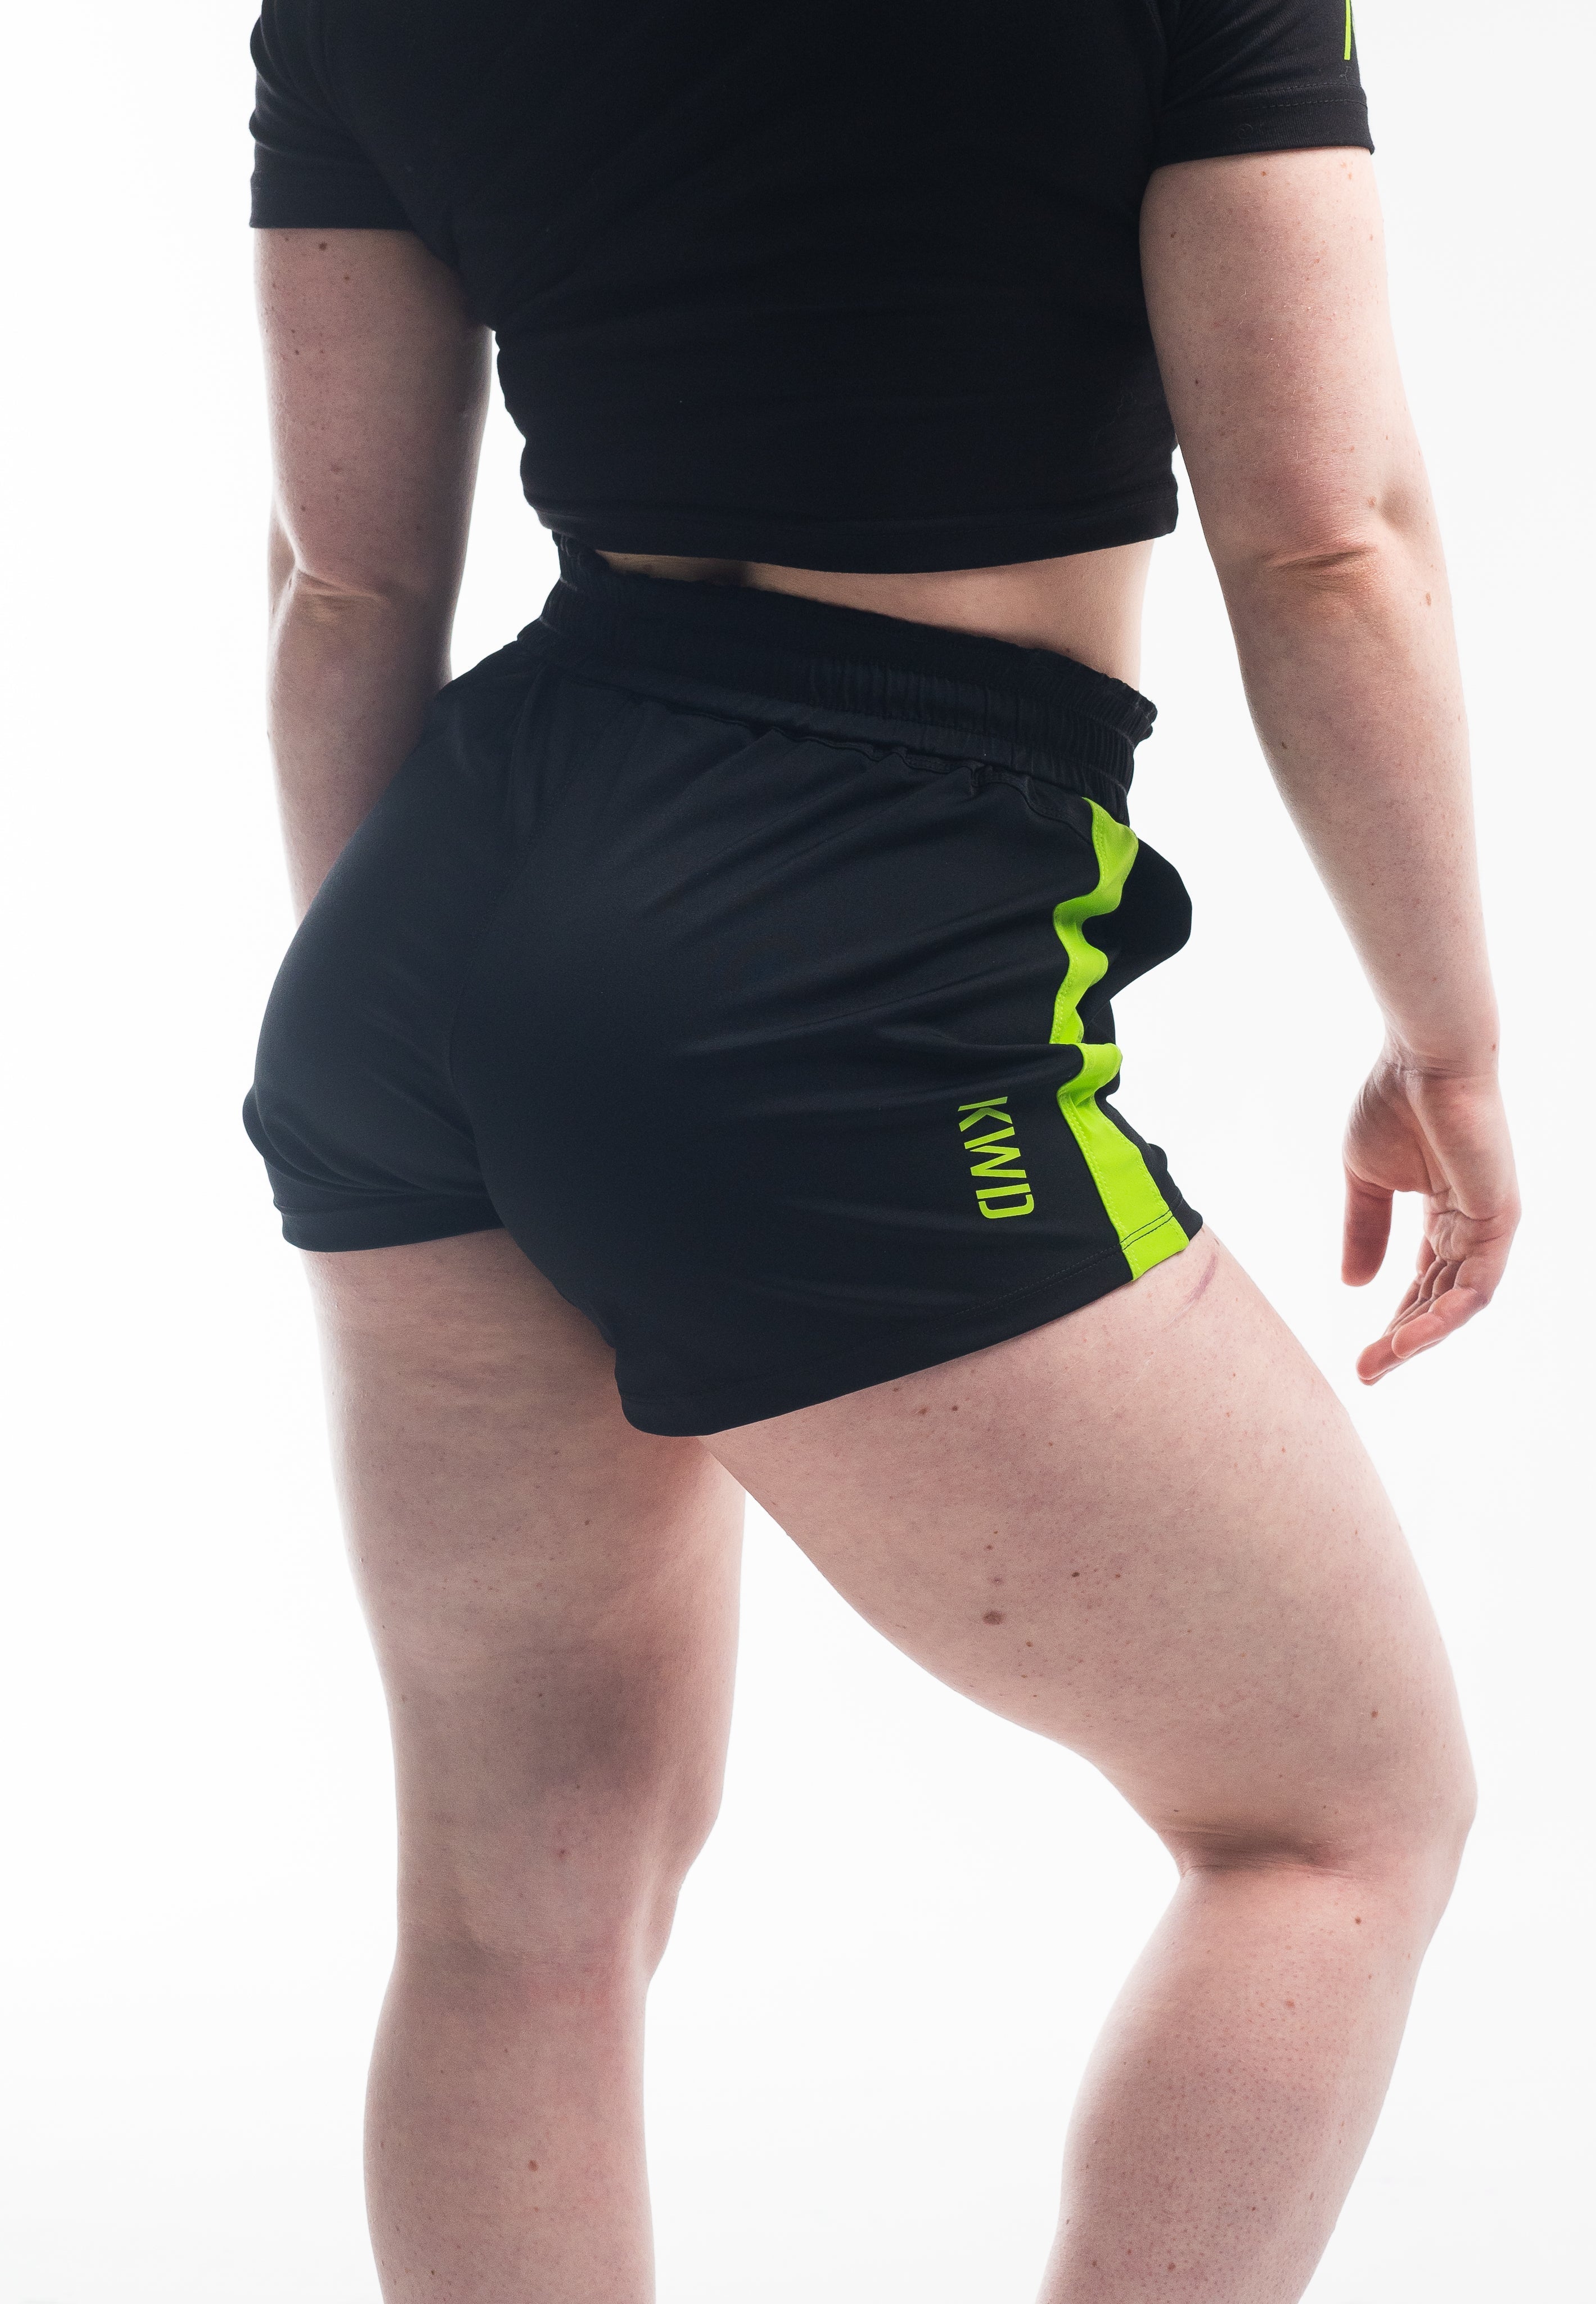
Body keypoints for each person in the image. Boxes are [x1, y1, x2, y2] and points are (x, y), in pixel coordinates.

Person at [240, 0, 1520, 2293]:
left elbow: (346, 588)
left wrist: (469, 1066)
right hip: (825, 935)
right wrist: (1448, 1034)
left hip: (422, 920)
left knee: (519, 1900)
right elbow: (1323, 540)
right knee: (1334, 1817)